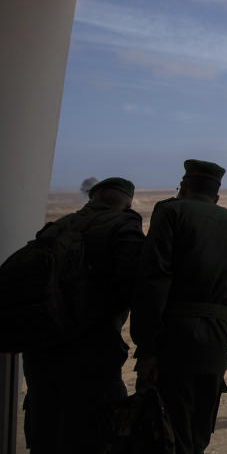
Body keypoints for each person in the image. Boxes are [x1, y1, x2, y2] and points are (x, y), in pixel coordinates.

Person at [131, 160, 227, 454]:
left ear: (184, 187)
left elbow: (154, 279)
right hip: (218, 334)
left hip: (174, 334)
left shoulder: (170, 212)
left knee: (166, 427)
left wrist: (146, 346)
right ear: (217, 196)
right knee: (200, 422)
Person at [21, 177, 144, 454]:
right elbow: (135, 288)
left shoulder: (55, 230)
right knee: (96, 429)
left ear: (94, 196)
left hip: (44, 346)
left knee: (47, 426)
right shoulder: (123, 227)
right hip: (93, 346)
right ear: (129, 202)